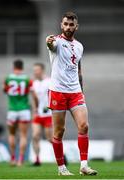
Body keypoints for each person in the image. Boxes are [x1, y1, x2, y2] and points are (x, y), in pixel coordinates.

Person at [46, 11, 97, 176]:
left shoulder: (79, 46)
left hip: (75, 92)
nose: (68, 27)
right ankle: (61, 168)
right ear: (62, 25)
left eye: (71, 24)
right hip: (58, 92)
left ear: (76, 26)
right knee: (59, 132)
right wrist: (48, 42)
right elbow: (50, 45)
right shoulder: (57, 42)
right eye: (65, 24)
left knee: (84, 126)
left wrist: (81, 91)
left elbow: (78, 70)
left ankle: (84, 166)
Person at [3, 59, 37, 166]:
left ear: (14, 67)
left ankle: (12, 158)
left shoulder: (8, 78)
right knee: (23, 135)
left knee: (12, 134)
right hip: (24, 109)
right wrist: (36, 106)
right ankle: (20, 160)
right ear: (22, 67)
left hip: (12, 110)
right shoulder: (27, 79)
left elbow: (5, 90)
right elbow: (33, 94)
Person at [32, 63, 52, 166]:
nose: (35, 72)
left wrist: (49, 106)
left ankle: (62, 154)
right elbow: (35, 97)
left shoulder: (49, 81)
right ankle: (37, 159)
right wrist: (35, 108)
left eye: (37, 70)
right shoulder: (34, 83)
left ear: (42, 70)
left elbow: (53, 95)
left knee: (50, 138)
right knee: (35, 136)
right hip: (38, 114)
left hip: (48, 114)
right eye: (34, 70)